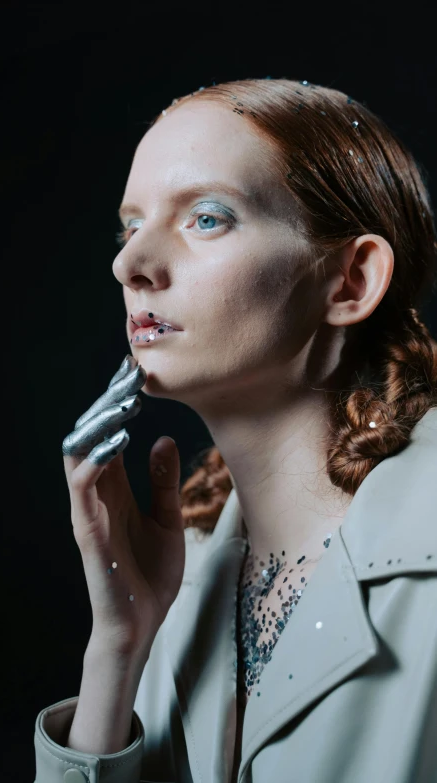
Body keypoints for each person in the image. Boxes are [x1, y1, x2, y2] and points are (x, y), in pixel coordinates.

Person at [33, 78, 437, 783]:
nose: (128, 265)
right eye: (131, 226)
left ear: (351, 280)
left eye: (208, 218)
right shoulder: (184, 564)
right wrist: (118, 648)